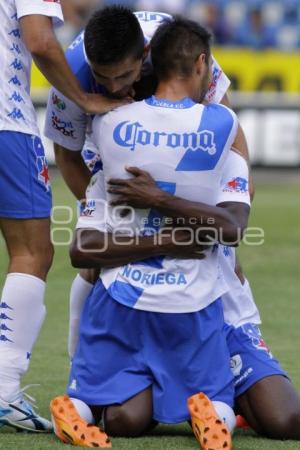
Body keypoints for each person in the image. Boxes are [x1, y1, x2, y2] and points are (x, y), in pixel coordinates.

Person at [44, 6, 300, 440]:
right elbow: (67, 156)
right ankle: (93, 386)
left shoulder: (183, 52)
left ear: (146, 56)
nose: (113, 90)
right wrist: (110, 218)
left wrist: (220, 236)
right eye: (102, 81)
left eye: (123, 78)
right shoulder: (72, 77)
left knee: (284, 420)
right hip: (140, 221)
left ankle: (214, 396)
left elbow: (230, 144)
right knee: (92, 272)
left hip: (200, 257)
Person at [0, 0, 128, 434]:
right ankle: (3, 389)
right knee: (32, 252)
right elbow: (39, 40)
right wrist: (84, 98)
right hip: (6, 122)